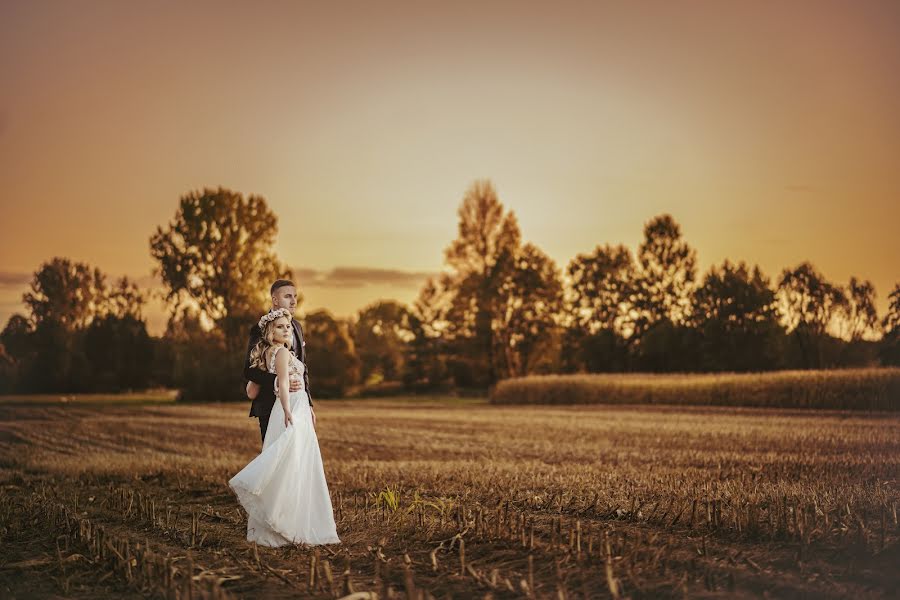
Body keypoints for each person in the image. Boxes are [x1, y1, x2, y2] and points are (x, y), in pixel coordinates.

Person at [228, 308, 340, 546]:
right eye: (280, 326)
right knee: (292, 462)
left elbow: (252, 390)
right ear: (270, 332)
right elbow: (285, 384)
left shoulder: (273, 353)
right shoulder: (280, 353)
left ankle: (292, 516)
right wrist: (288, 409)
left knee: (294, 461)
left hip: (295, 407)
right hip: (291, 408)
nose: (287, 329)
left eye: (288, 326)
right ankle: (286, 520)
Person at [244, 279, 314, 443]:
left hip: (298, 405)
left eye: (295, 296)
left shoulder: (297, 326)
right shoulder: (260, 329)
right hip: (270, 405)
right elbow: (249, 370)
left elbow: (304, 368)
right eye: (288, 296)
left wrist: (309, 404)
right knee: (275, 458)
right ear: (275, 300)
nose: (294, 301)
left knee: (297, 457)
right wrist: (278, 381)